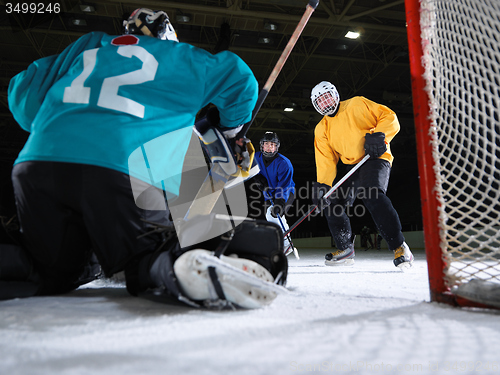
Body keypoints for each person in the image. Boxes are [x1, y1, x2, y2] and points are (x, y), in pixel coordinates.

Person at [1, 8, 288, 309]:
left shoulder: (90, 44)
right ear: (168, 38)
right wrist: (231, 129)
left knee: (47, 267)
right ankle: (181, 263)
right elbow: (241, 80)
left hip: (39, 165)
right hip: (120, 169)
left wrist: (62, 123)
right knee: (144, 255)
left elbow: (22, 93)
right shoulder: (179, 56)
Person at [310, 81, 414, 269]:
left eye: (327, 97)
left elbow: (389, 116)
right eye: (320, 101)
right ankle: (345, 249)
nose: (325, 103)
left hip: (375, 157)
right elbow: (325, 159)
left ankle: (400, 246)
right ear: (317, 106)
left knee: (372, 194)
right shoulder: (321, 129)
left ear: (335, 95)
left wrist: (379, 135)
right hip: (352, 165)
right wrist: (323, 186)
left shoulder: (357, 104)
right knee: (332, 202)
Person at [252, 132, 297, 256]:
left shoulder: (284, 163)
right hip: (269, 194)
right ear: (262, 146)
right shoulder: (256, 157)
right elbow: (250, 169)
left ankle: (287, 244)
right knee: (270, 218)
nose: (269, 147)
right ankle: (280, 243)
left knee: (274, 213)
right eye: (267, 144)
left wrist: (279, 202)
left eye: (272, 145)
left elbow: (284, 186)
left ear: (277, 147)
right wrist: (258, 179)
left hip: (285, 194)